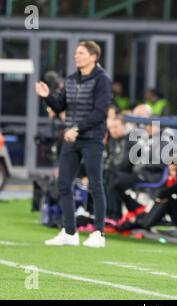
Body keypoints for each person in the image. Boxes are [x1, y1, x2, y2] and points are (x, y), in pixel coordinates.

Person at [35, 41, 112, 248]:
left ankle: (98, 234)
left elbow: (100, 112)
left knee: (95, 184)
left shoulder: (102, 80)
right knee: (63, 184)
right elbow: (60, 104)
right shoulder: (70, 80)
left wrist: (77, 128)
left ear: (93, 57)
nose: (76, 56)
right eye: (76, 53)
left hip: (92, 139)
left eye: (81, 53)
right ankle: (70, 232)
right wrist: (47, 96)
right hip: (72, 139)